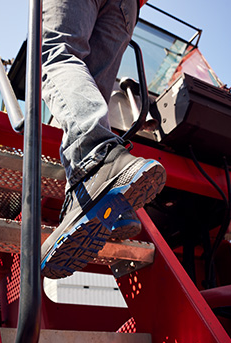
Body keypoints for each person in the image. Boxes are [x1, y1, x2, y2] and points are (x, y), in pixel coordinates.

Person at [41, 0, 166, 279]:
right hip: (128, 7)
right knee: (92, 87)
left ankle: (99, 160)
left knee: (56, 55)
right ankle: (92, 190)